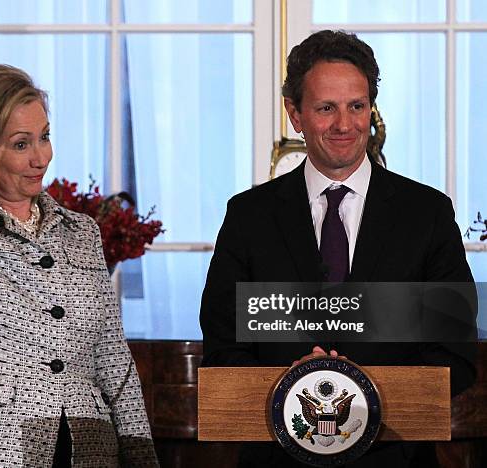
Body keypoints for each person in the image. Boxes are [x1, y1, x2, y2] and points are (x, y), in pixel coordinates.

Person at [200, 30, 477, 467]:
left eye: (357, 106)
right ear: (295, 113)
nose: (345, 125)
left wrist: (364, 389)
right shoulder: (248, 216)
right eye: (326, 108)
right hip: (277, 457)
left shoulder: (427, 213)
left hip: (396, 457)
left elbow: (455, 355)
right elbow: (221, 349)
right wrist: (294, 384)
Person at [0, 8, 158, 467]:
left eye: (44, 137)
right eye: (21, 143)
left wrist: (140, 452)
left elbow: (112, 357)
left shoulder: (81, 232)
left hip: (86, 446)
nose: (40, 157)